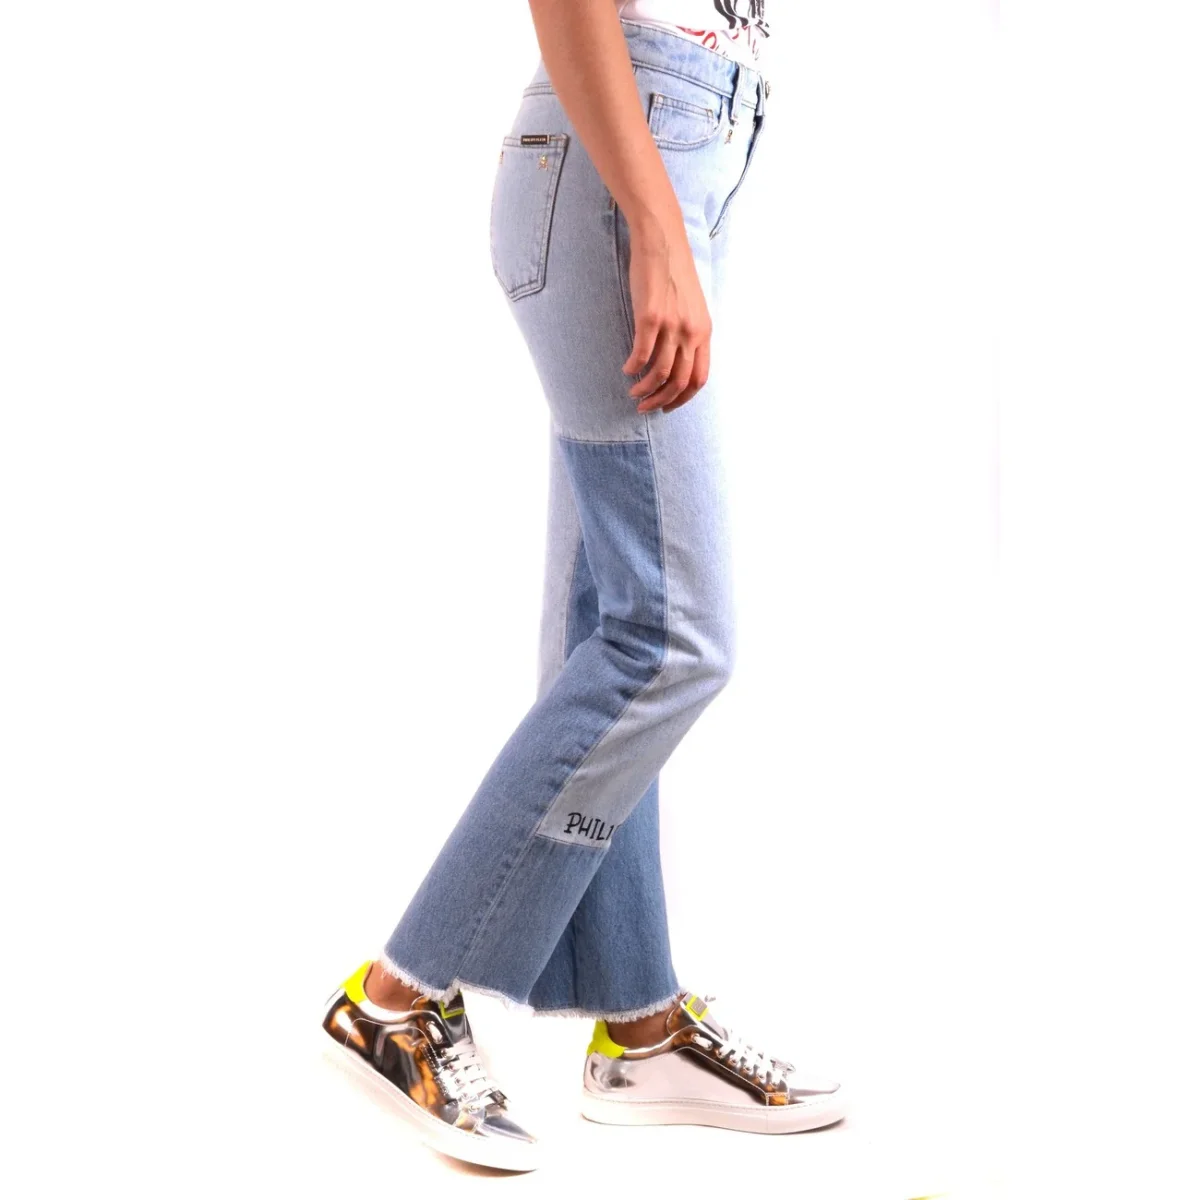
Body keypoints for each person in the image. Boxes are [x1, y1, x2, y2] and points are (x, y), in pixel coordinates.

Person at [319, 1, 845, 1171]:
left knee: (611, 618)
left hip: (680, 147)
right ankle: (399, 998)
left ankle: (638, 1024)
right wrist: (651, 223)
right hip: (628, 155)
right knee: (675, 638)